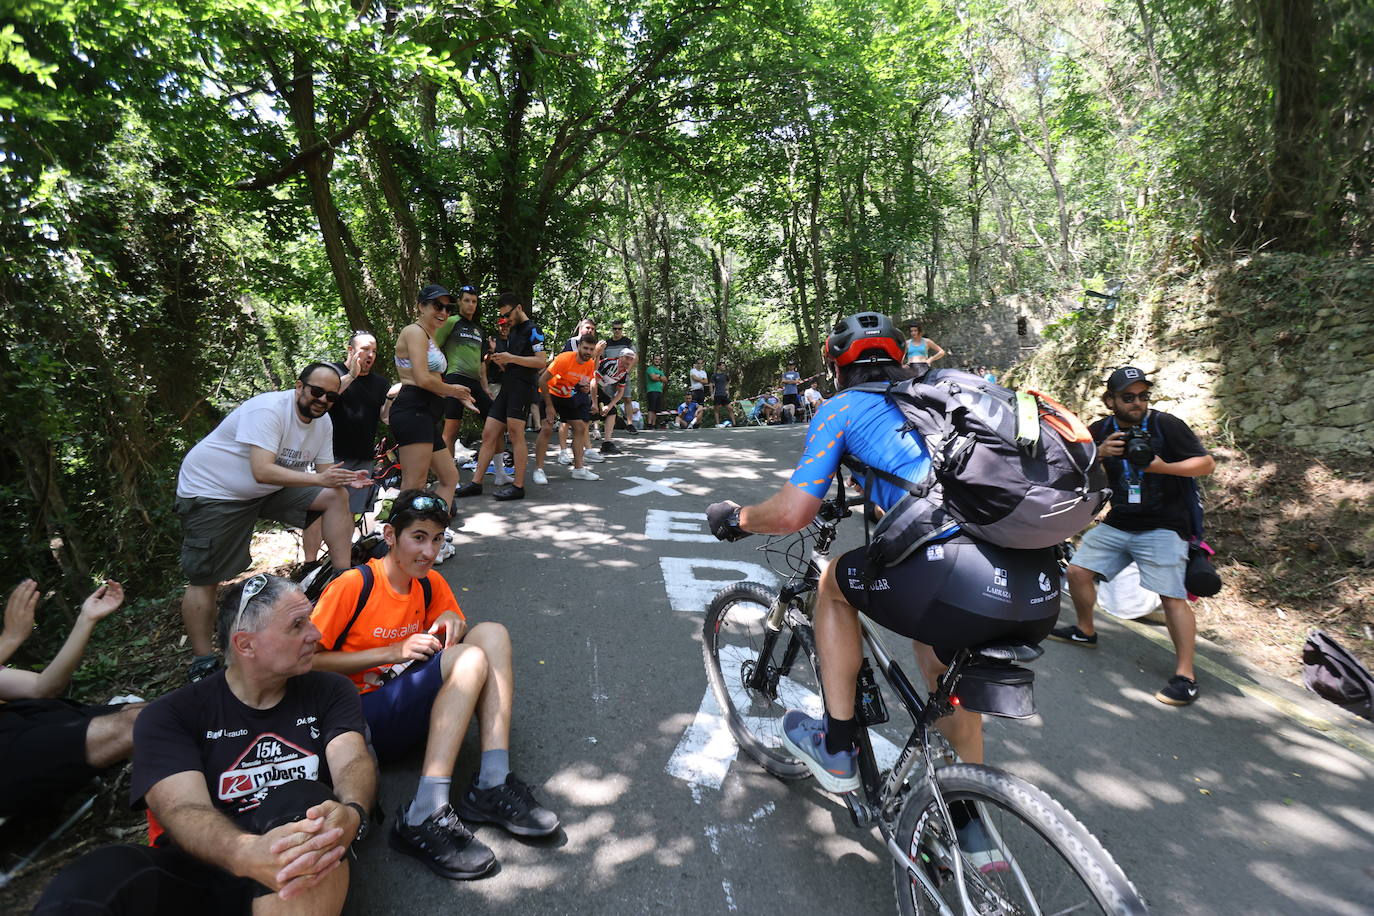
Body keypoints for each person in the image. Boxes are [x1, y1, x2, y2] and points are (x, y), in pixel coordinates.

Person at [705, 312, 1061, 868]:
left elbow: (795, 510)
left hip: (951, 575)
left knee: (832, 582)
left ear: (834, 362)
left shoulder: (841, 408)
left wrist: (739, 517)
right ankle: (972, 825)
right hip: (1037, 582)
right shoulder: (949, 395)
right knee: (939, 653)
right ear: (901, 357)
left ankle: (838, 745)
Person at [35, 575, 376, 915]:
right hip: (207, 868)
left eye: (310, 620)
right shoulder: (171, 714)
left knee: (305, 797)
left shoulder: (330, 690)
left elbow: (351, 760)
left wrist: (351, 812)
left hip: (296, 852)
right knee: (99, 872)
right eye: (297, 625)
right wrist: (243, 853)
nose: (315, 635)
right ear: (245, 645)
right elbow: (182, 809)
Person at [310, 491, 559, 879]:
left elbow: (457, 649)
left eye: (439, 539)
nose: (429, 550)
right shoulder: (353, 585)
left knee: (491, 633)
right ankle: (423, 812)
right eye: (419, 537)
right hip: (361, 721)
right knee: (470, 657)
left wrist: (450, 622)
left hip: (409, 708)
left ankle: (491, 782)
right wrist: (390, 652)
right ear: (391, 535)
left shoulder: (429, 584)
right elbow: (306, 663)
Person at [176, 363, 370, 682]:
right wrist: (320, 477)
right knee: (204, 577)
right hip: (214, 491)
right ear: (299, 387)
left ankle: (344, 580)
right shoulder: (269, 410)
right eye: (316, 391)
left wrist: (346, 478)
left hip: (266, 489)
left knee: (335, 495)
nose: (322, 400)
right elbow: (261, 470)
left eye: (331, 396)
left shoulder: (322, 424)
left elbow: (326, 476)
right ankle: (202, 660)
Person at [1053, 366, 1215, 706]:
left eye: (1143, 396)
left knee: (1172, 596)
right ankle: (1085, 630)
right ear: (1110, 400)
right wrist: (1099, 453)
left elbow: (1205, 464)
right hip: (1120, 521)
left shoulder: (1165, 425)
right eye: (1128, 397)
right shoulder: (1100, 429)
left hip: (1165, 525)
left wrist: (1162, 467)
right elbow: (1069, 466)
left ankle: (1186, 675)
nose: (1137, 403)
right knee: (1077, 572)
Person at [0, 579, 143, 818]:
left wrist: (86, 619)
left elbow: (42, 687)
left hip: (23, 723)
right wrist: (10, 638)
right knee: (141, 722)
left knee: (147, 711)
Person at [300, 331, 392, 564]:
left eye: (374, 351)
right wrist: (351, 376)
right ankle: (309, 563)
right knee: (318, 512)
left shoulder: (380, 383)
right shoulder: (332, 374)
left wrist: (390, 398)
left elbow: (385, 418)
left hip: (362, 456)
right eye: (365, 349)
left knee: (349, 513)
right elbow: (325, 399)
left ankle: (336, 563)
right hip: (329, 456)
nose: (370, 355)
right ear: (350, 350)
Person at [392, 285, 477, 518]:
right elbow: (421, 378)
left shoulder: (429, 336)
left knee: (450, 478)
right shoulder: (414, 331)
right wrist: (454, 391)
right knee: (414, 484)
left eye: (447, 307)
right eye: (437, 306)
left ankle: (434, 532)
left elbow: (434, 380)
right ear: (421, 306)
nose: (443, 312)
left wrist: (458, 393)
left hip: (427, 413)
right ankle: (403, 545)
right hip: (413, 408)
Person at [456, 293, 547, 501]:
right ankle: (476, 483)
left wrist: (511, 358)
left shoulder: (534, 330)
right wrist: (501, 360)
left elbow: (541, 361)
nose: (506, 319)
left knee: (516, 435)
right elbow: (512, 365)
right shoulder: (513, 331)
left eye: (508, 314)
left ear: (519, 307)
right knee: (489, 433)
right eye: (502, 316)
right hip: (507, 387)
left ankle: (518, 486)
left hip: (522, 388)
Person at [435, 284, 494, 457]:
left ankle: (500, 473)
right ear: (459, 302)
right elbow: (433, 348)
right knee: (451, 431)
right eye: (467, 300)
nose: (471, 305)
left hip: (475, 383)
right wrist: (437, 380)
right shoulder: (450, 322)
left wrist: (485, 387)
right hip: (455, 379)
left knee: (496, 422)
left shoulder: (478, 330)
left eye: (474, 301)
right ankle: (449, 479)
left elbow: (481, 362)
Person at [533, 333, 600, 483]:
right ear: (579, 347)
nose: (588, 352)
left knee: (580, 428)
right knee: (547, 428)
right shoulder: (564, 359)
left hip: (566, 396)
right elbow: (542, 380)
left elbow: (584, 384)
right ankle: (538, 469)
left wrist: (585, 389)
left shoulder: (589, 364)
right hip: (548, 393)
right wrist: (549, 406)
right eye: (585, 348)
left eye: (591, 349)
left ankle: (579, 469)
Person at [594, 339, 636, 455]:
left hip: (599, 388)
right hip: (589, 385)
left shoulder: (624, 373)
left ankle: (607, 443)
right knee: (591, 412)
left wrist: (609, 406)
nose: (629, 361)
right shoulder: (609, 363)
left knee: (612, 411)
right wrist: (594, 402)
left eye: (631, 359)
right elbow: (593, 380)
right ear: (620, 357)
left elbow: (620, 393)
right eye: (627, 358)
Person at [710, 361, 735, 427]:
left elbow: (728, 381)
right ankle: (717, 424)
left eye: (724, 366)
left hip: (724, 394)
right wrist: (712, 394)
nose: (724, 367)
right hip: (717, 394)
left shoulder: (725, 375)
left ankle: (734, 424)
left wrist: (727, 390)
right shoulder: (714, 375)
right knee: (717, 409)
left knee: (730, 408)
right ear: (719, 366)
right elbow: (711, 385)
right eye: (723, 366)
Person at [644, 358, 667, 428]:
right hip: (651, 390)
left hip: (659, 391)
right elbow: (653, 378)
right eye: (656, 359)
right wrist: (660, 377)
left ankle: (653, 425)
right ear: (653, 360)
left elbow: (665, 380)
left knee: (656, 410)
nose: (657, 361)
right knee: (651, 408)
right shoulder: (650, 369)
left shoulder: (660, 371)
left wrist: (658, 376)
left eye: (659, 359)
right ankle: (649, 424)